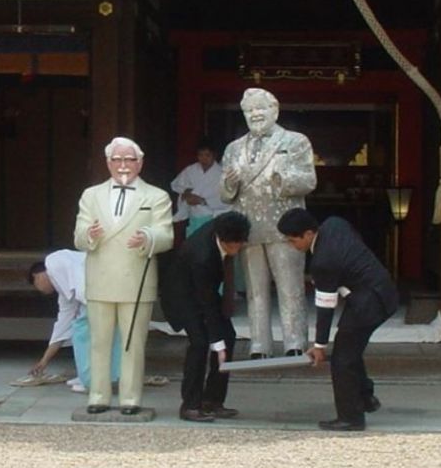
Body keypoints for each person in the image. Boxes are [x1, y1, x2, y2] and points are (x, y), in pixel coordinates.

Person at [74, 136, 173, 415]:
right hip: (100, 277)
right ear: (107, 163)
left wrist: (148, 237)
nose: (123, 165)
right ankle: (98, 395)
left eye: (129, 159)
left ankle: (130, 397)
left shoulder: (156, 196)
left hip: (136, 278)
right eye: (117, 159)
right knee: (99, 341)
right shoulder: (91, 195)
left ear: (140, 162)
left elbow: (166, 234)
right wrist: (88, 235)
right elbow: (78, 236)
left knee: (133, 342)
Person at [277, 208, 399, 431]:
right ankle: (364, 398)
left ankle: (351, 417)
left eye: (293, 240)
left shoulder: (322, 262)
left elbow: (325, 307)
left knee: (342, 359)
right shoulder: (335, 223)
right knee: (348, 350)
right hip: (382, 288)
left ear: (307, 233)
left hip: (368, 304)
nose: (293, 245)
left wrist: (319, 346)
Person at [220, 88, 317, 358]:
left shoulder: (295, 141)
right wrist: (230, 182)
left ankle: (295, 342)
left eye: (260, 108)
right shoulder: (234, 148)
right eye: (249, 110)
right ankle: (259, 344)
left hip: (285, 227)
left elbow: (309, 180)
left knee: (290, 288)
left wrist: (280, 177)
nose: (255, 114)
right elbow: (224, 194)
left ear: (275, 110)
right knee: (255, 291)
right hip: (249, 228)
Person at [161, 212, 251, 423]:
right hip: (182, 296)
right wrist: (216, 342)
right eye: (233, 246)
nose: (237, 250)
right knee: (200, 344)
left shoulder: (226, 226)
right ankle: (190, 405)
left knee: (228, 336)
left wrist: (220, 340)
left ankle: (213, 400)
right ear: (222, 239)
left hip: (205, 291)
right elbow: (207, 301)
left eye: (240, 244)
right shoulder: (201, 255)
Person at [27, 250, 121, 391]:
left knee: (82, 332)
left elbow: (78, 273)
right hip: (93, 296)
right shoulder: (64, 292)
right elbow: (62, 326)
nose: (41, 291)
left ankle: (92, 381)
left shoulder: (53, 261)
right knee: (79, 330)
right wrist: (44, 361)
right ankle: (89, 377)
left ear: (37, 277)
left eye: (37, 287)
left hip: (96, 293)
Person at [171, 139, 232, 238]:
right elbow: (177, 186)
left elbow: (227, 200)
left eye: (207, 155)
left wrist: (202, 200)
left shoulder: (221, 174)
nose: (204, 159)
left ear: (214, 155)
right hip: (193, 216)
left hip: (211, 216)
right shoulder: (191, 170)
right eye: (200, 155)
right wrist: (186, 193)